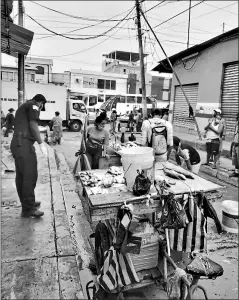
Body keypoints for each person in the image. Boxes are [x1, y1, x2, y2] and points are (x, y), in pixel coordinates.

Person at [10, 94, 48, 218]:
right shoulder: (33, 106)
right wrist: (41, 143)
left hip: (17, 144)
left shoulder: (24, 106)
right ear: (41, 103)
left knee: (21, 176)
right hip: (24, 145)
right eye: (42, 105)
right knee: (30, 176)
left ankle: (27, 204)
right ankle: (29, 209)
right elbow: (32, 125)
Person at [229, 113, 239, 177]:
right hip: (235, 144)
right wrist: (232, 142)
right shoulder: (237, 124)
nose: (237, 118)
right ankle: (236, 172)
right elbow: (235, 134)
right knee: (235, 160)